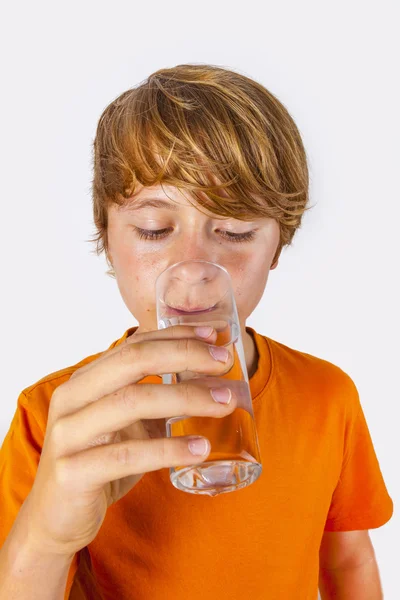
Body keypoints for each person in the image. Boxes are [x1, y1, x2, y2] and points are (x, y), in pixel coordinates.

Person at [0, 63, 393, 600]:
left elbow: (348, 561)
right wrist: (43, 542)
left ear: (278, 245)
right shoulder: (53, 420)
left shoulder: (329, 397)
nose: (192, 270)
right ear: (107, 237)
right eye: (153, 229)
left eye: (235, 231)